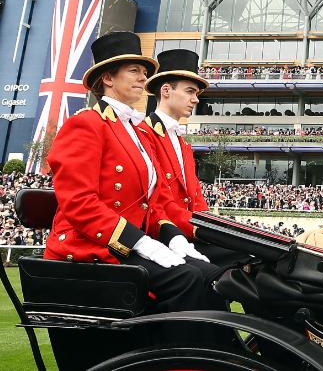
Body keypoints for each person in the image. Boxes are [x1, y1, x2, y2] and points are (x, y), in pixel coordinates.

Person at [45, 31, 224, 344]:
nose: (144, 78)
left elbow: (153, 202)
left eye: (144, 72)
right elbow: (79, 203)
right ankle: (184, 363)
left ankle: (220, 354)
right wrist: (141, 242)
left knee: (207, 275)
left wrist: (174, 238)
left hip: (127, 244)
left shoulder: (135, 132)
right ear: (108, 79)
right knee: (188, 280)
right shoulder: (85, 123)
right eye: (135, 71)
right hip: (92, 248)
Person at [145, 48, 241, 265]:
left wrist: (212, 225)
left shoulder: (183, 144)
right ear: (166, 90)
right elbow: (159, 201)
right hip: (165, 235)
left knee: (254, 258)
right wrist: (204, 229)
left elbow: (196, 198)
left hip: (189, 231)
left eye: (196, 94)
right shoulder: (144, 134)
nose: (195, 100)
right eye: (190, 92)